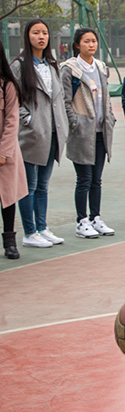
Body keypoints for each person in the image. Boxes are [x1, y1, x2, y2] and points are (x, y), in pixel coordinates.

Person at [11, 19, 69, 248]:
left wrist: (62, 124)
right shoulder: (19, 66)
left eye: (44, 33)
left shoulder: (52, 65)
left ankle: (42, 228)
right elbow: (13, 99)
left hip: (53, 132)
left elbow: (59, 97)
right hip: (32, 134)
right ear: (28, 36)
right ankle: (29, 232)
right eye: (36, 33)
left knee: (43, 185)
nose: (41, 37)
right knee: (29, 186)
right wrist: (28, 119)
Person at [61, 28, 117, 239]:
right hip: (82, 132)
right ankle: (81, 221)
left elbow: (106, 96)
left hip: (101, 131)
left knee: (96, 179)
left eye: (94, 41)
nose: (91, 45)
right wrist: (75, 123)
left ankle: (96, 217)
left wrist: (110, 117)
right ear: (77, 45)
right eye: (86, 41)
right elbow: (66, 100)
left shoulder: (101, 67)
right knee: (84, 178)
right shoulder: (70, 69)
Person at [0, 40, 28, 259]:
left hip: (5, 152)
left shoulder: (7, 85)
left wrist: (4, 152)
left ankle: (10, 241)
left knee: (7, 198)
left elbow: (12, 120)